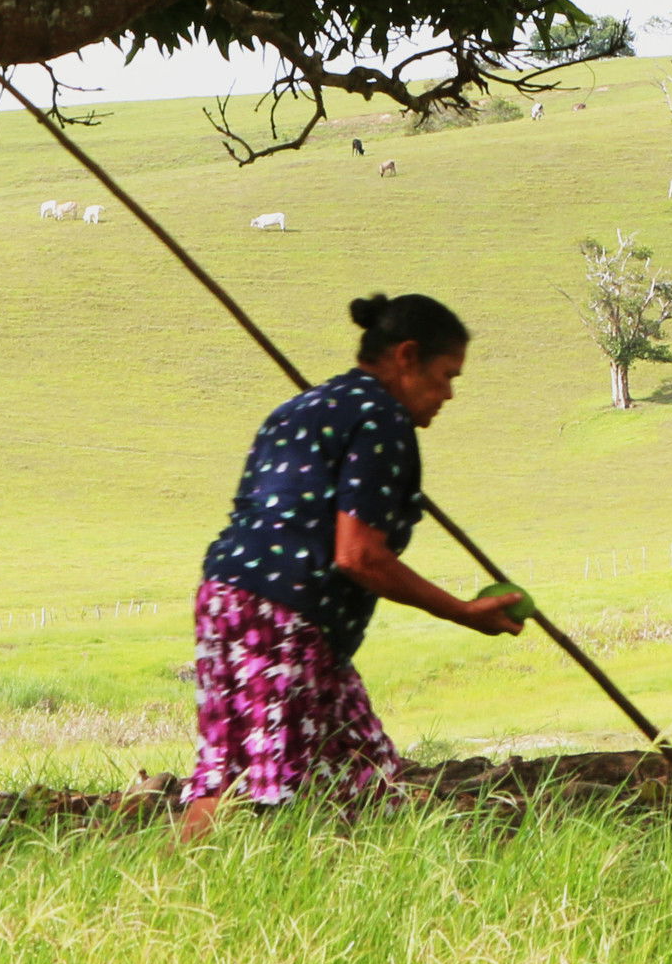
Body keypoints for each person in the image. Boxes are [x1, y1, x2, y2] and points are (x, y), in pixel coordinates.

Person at [178, 291, 527, 839]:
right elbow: (359, 556)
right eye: (445, 375)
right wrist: (462, 611)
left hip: (230, 600)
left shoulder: (304, 408)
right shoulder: (382, 419)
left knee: (360, 776)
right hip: (282, 619)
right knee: (251, 787)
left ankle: (339, 879)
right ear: (407, 356)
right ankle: (184, 882)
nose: (449, 394)